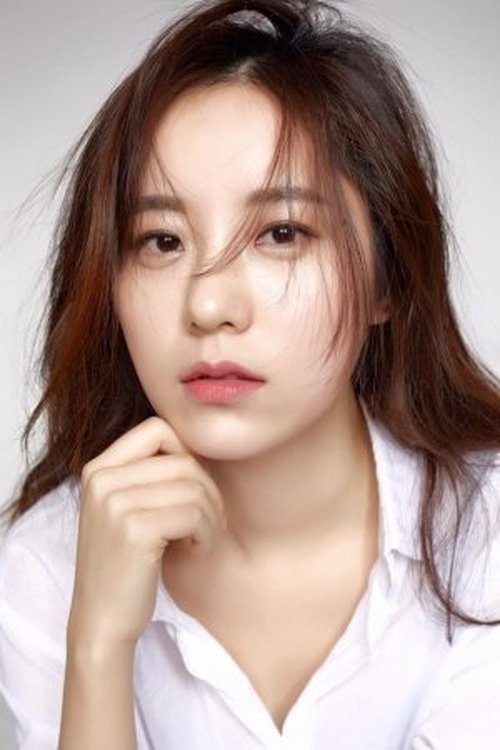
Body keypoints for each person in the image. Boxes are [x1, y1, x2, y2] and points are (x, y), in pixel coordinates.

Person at [0, 0, 499, 747]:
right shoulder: (48, 564)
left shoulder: (486, 531)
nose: (209, 306)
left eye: (281, 232)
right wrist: (98, 645)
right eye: (162, 241)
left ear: (389, 281)